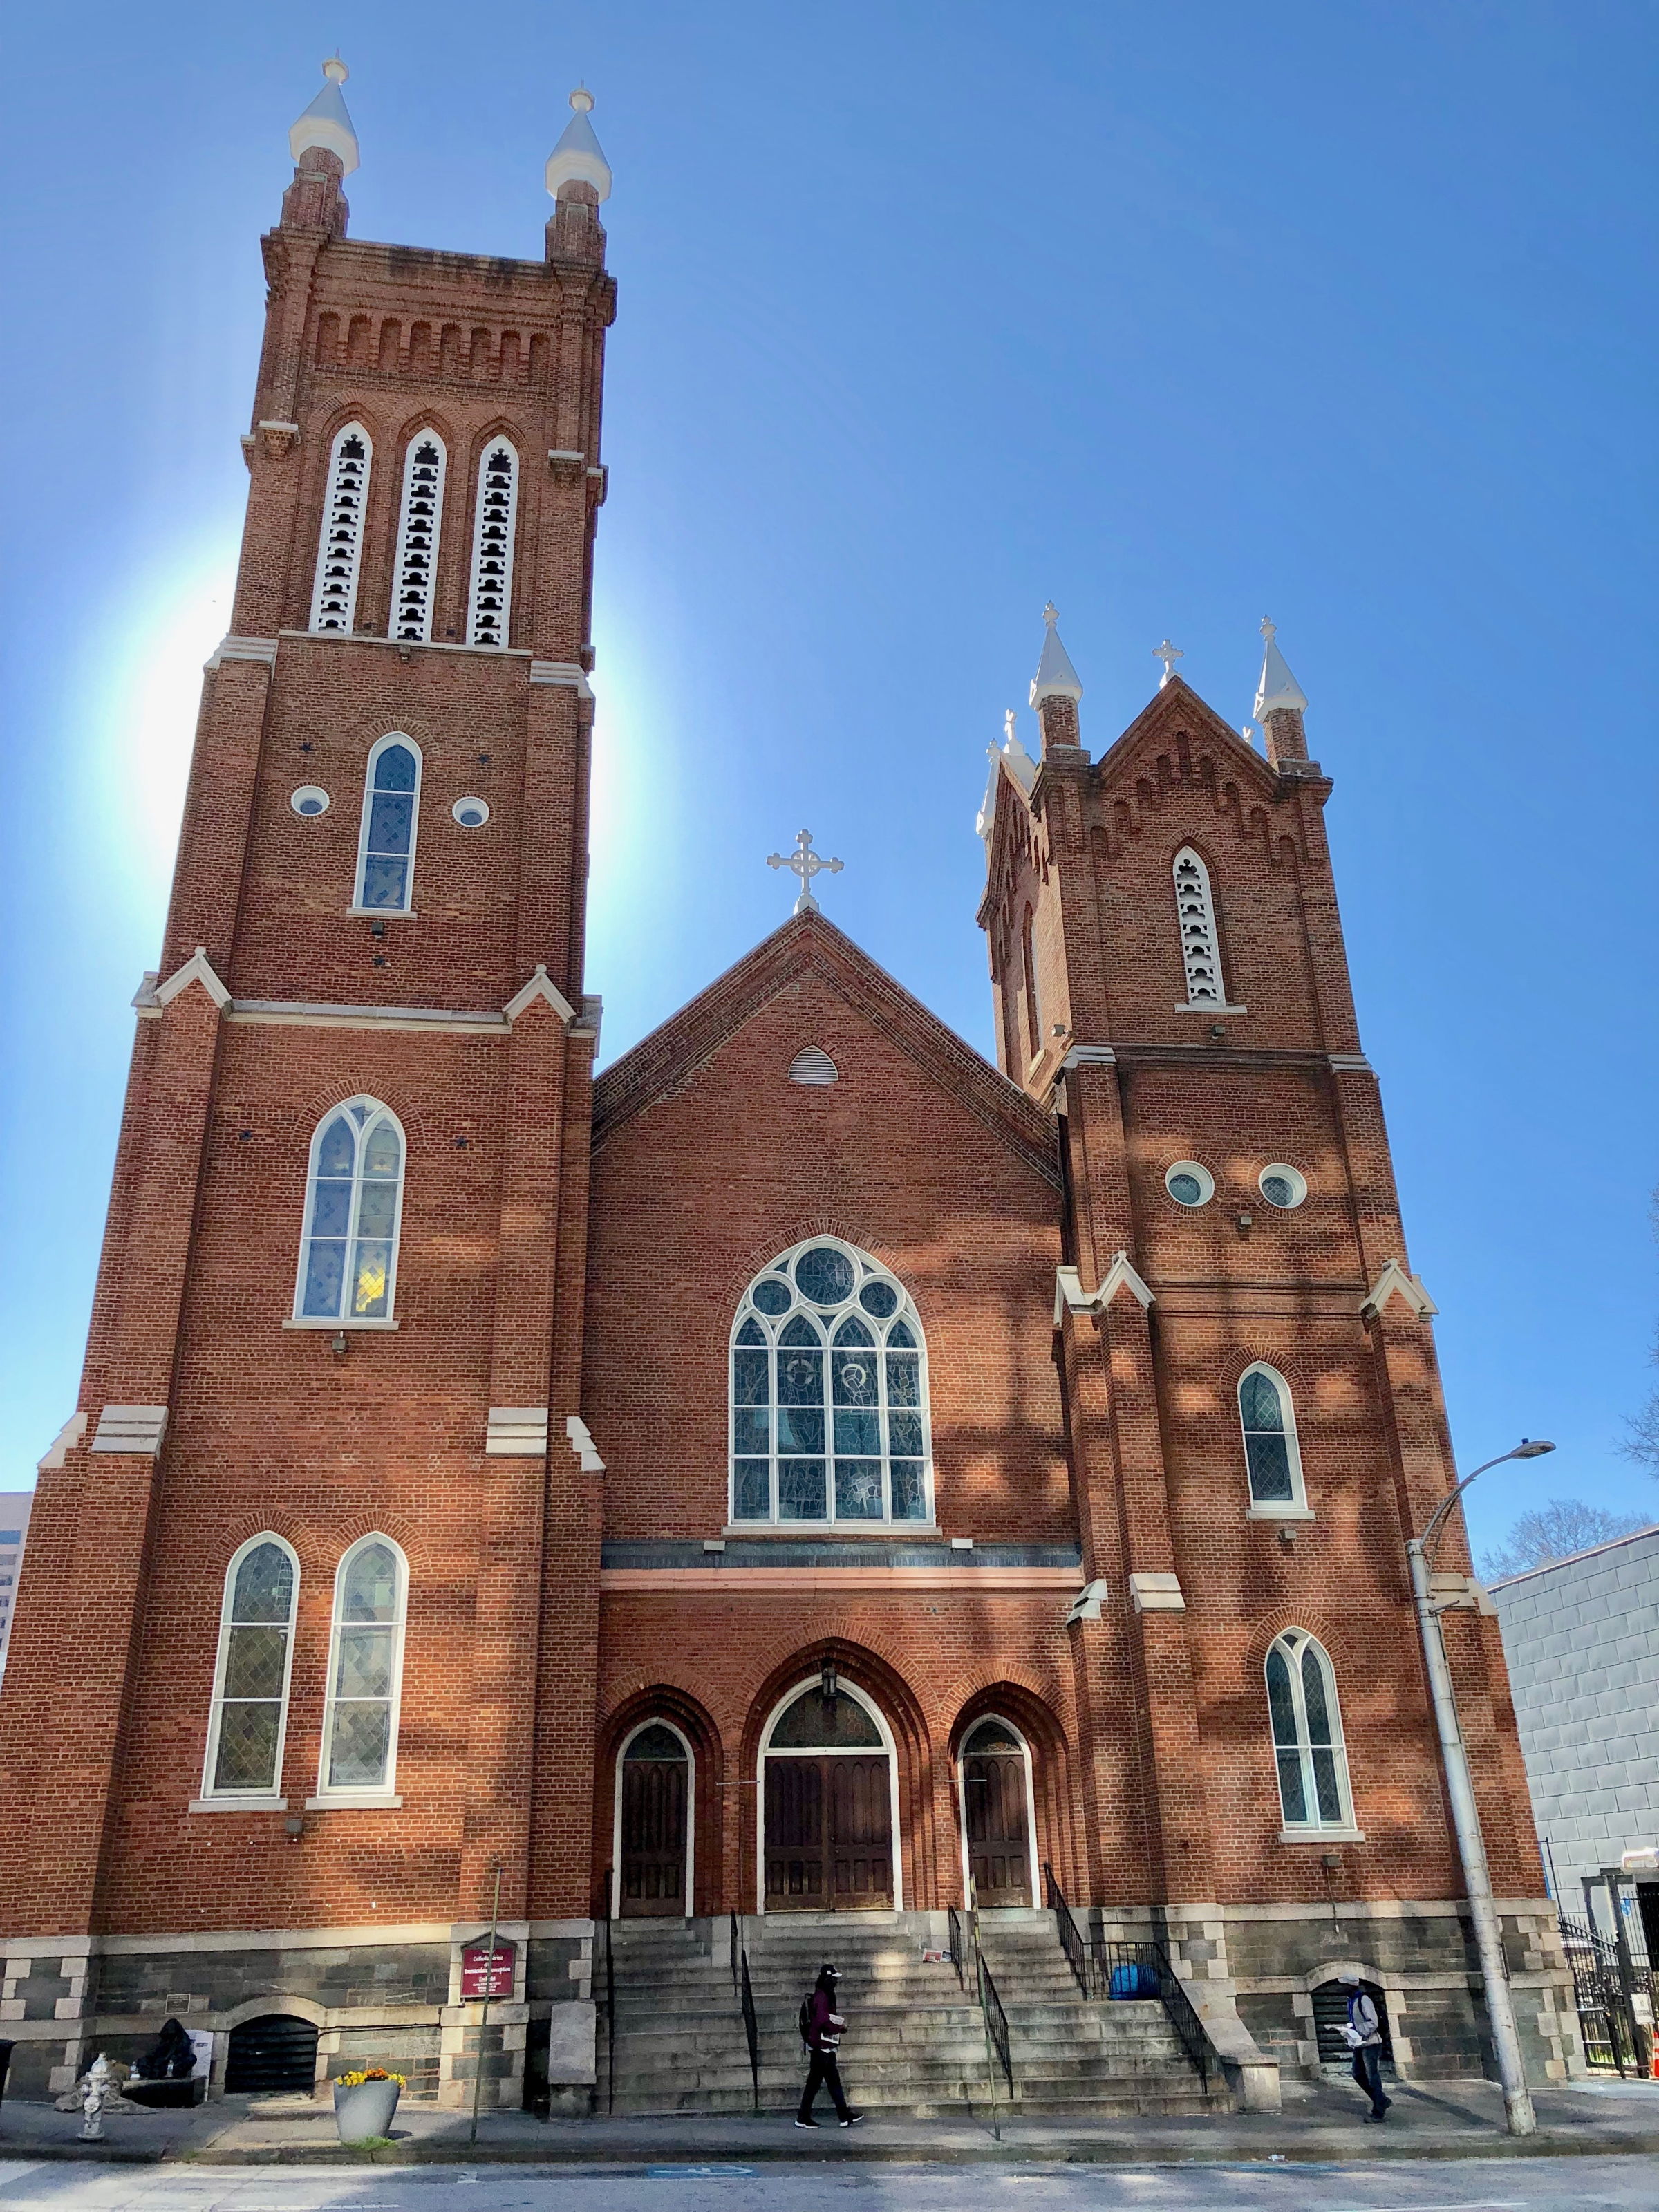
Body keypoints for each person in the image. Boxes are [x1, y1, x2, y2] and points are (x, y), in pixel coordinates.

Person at [796, 1962, 863, 2128]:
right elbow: (822, 2021)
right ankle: (807, 2117)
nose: (835, 1982)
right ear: (827, 1979)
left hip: (824, 2047)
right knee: (819, 2084)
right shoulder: (822, 1997)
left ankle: (843, 2115)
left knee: (828, 2083)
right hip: (821, 2047)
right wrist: (839, 2028)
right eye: (833, 1979)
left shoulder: (823, 1995)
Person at [1338, 1975, 1391, 2121]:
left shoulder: (1364, 2000)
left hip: (1371, 2043)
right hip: (1360, 2043)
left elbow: (1373, 2023)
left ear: (1351, 1986)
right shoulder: (1351, 2001)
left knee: (1372, 2076)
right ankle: (1381, 2100)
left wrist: (1357, 2031)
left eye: (1344, 1985)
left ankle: (1379, 2112)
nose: (1341, 1988)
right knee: (1358, 2074)